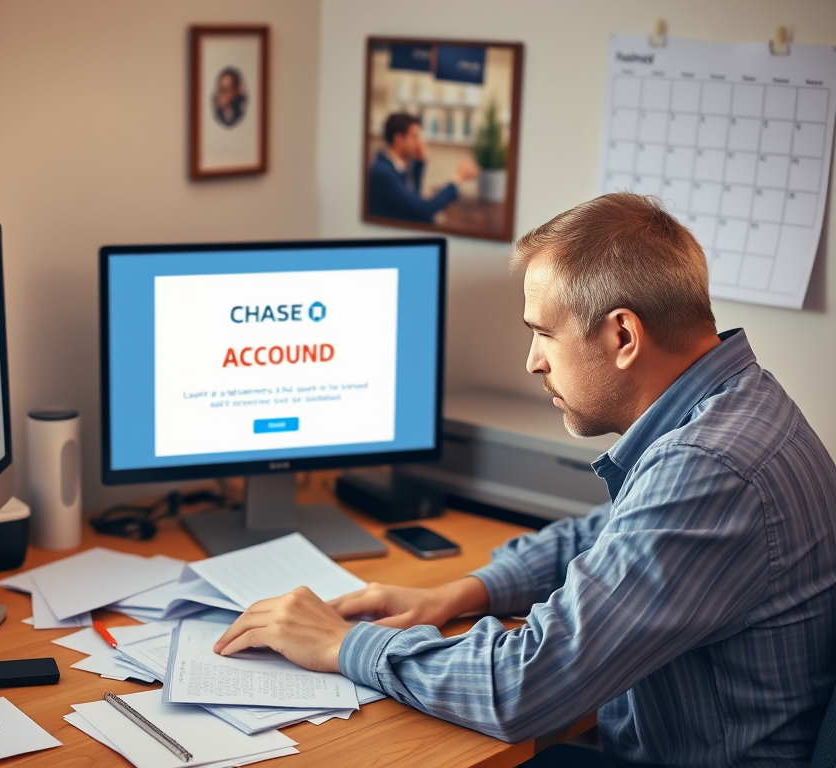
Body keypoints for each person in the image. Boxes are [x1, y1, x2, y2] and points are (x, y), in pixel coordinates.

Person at [215, 192, 836, 768]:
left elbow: (524, 687)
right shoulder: (740, 403)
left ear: (623, 335)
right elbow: (610, 535)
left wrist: (342, 644)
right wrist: (461, 593)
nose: (533, 361)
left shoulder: (710, 468)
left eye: (543, 332)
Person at [367, 113, 478, 224]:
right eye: (414, 137)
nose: (419, 143)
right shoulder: (383, 173)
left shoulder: (396, 164)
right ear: (399, 139)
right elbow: (423, 211)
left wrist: (420, 163)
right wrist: (457, 179)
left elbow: (413, 198)